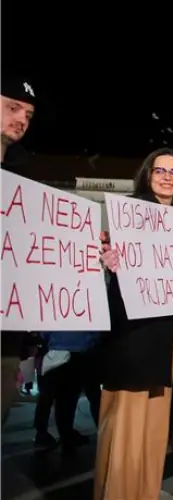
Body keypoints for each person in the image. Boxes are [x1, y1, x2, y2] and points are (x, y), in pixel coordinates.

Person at [96, 148, 173, 500]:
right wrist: (108, 261)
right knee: (125, 421)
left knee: (154, 421)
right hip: (133, 333)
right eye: (159, 170)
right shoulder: (129, 212)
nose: (167, 177)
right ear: (147, 174)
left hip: (167, 332)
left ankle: (144, 490)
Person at [1, 74, 37, 426]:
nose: (21, 119)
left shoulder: (24, 184)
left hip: (6, 341)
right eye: (12, 107)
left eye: (28, 114)